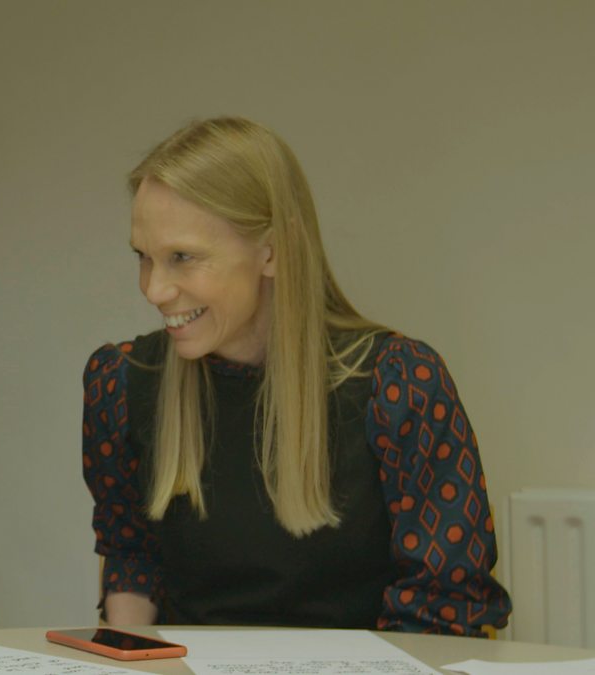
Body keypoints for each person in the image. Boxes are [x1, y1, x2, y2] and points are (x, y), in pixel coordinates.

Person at [81, 117, 511, 636]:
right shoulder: (121, 383)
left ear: (272, 250)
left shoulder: (400, 384)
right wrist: (127, 657)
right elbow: (131, 558)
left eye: (182, 257)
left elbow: (444, 608)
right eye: (144, 258)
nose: (154, 290)